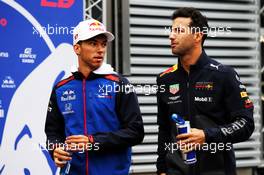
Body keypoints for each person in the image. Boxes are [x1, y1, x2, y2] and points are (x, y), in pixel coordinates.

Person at [156, 7, 254, 175]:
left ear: (197, 35)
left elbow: (246, 124)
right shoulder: (165, 79)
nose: (171, 36)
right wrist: (162, 169)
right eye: (172, 31)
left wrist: (207, 135)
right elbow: (164, 129)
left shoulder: (224, 75)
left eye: (178, 30)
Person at [45, 19, 144, 175]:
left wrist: (93, 142)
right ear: (77, 48)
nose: (100, 50)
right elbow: (53, 133)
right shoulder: (61, 88)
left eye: (103, 44)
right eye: (93, 43)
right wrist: (55, 149)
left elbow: (135, 132)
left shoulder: (119, 84)